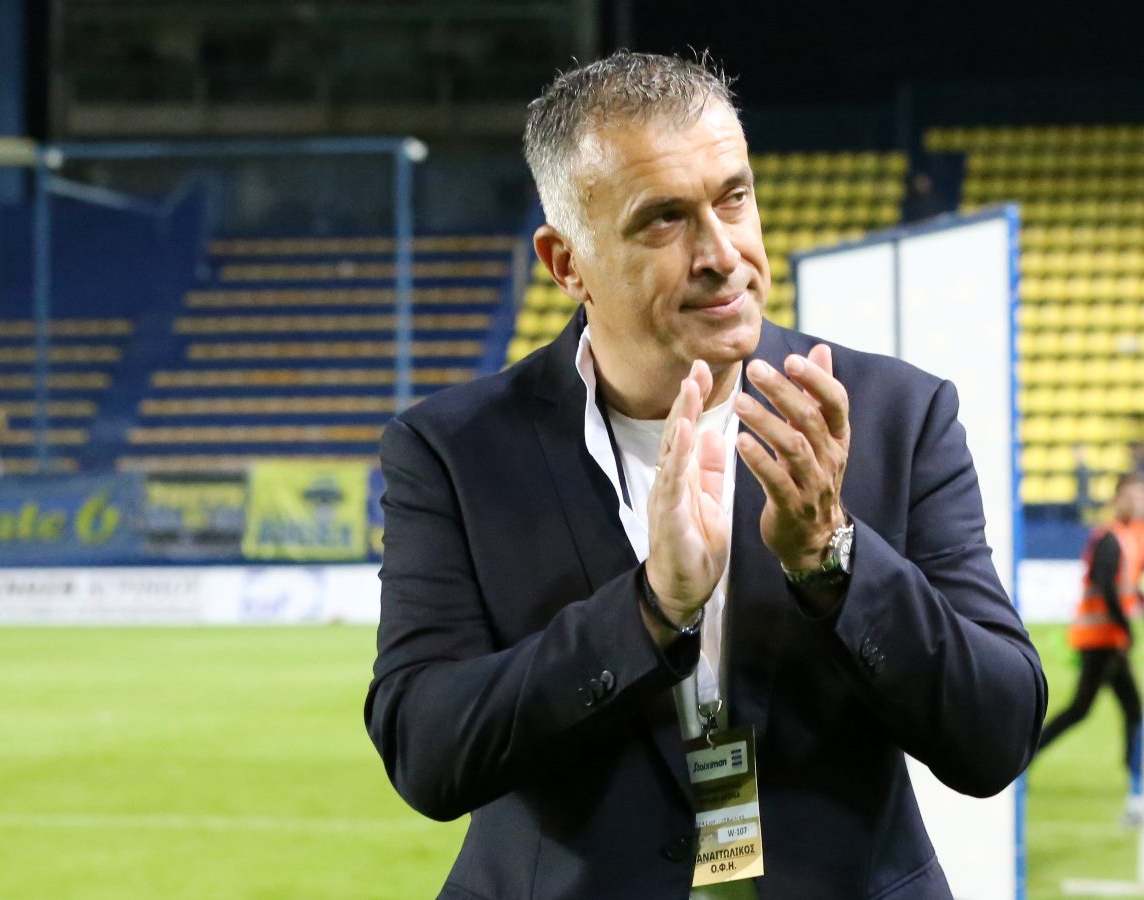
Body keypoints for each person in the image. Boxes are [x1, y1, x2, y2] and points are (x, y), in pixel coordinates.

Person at [364, 51, 1046, 900]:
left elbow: (997, 736)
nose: (723, 253)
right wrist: (651, 611)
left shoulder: (895, 416)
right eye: (664, 220)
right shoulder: (454, 450)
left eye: (734, 197)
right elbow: (426, 752)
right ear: (566, 262)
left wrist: (831, 558)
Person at [1035, 471, 1144, 825]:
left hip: (1107, 639)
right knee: (1101, 710)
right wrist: (1126, 627)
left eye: (1142, 496)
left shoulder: (1132, 535)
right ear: (1117, 499)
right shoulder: (1111, 538)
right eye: (1131, 496)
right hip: (1101, 640)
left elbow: (1126, 585)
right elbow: (1105, 586)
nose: (1138, 503)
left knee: (1116, 710)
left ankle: (1137, 786)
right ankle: (1137, 789)